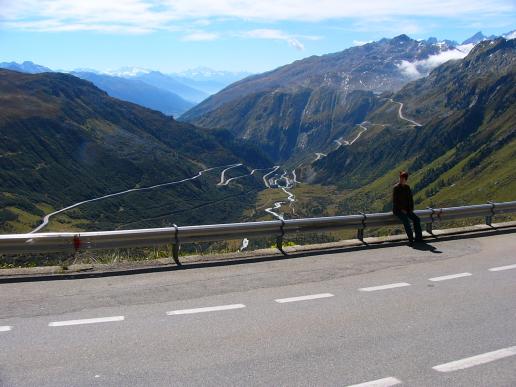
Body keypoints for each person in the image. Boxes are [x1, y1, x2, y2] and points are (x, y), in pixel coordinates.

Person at [393, 171, 423, 245]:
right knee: (406, 221)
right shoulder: (396, 188)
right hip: (398, 210)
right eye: (400, 178)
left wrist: (411, 209)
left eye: (403, 178)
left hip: (407, 209)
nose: (401, 180)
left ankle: (418, 238)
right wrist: (402, 209)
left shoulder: (407, 187)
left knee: (416, 219)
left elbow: (410, 199)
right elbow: (395, 201)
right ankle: (411, 239)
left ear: (406, 179)